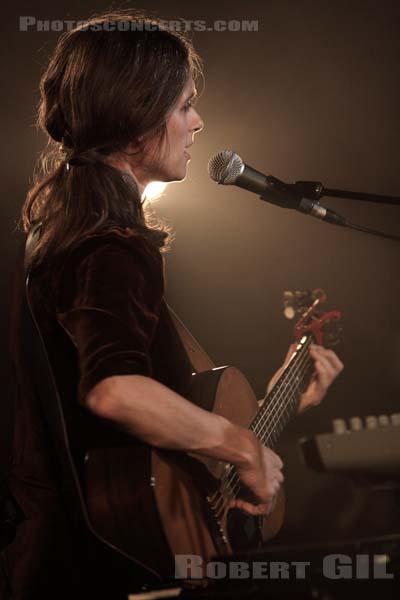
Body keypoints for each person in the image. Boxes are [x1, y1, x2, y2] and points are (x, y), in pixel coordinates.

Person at [0, 10, 343, 600]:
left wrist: (277, 404)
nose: (198, 122)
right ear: (137, 125)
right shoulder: (112, 246)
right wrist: (244, 445)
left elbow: (145, 432)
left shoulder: (70, 235)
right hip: (100, 571)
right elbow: (116, 391)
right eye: (184, 105)